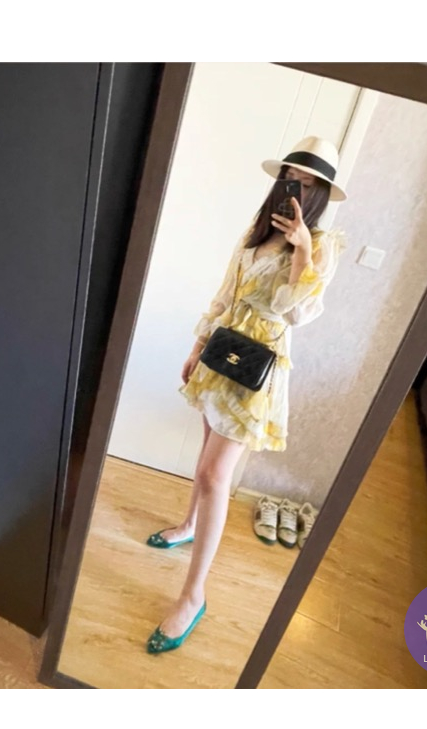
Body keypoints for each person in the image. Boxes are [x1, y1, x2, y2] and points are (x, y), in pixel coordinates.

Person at [146, 136, 349, 654]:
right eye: (291, 178)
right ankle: (189, 525)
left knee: (216, 474)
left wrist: (302, 249)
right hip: (222, 352)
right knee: (205, 459)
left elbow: (295, 312)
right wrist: (197, 345)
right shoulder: (255, 231)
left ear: (322, 193)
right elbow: (226, 294)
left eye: (308, 184)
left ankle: (193, 595)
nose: (296, 189)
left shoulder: (321, 245)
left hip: (259, 367)